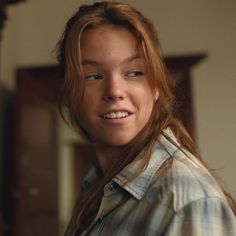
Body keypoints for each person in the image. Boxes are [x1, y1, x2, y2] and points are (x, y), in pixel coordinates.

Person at [57, 1, 236, 235]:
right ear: (69, 92)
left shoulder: (185, 199)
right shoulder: (98, 184)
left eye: (134, 73)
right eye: (93, 76)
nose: (114, 90)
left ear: (156, 87)